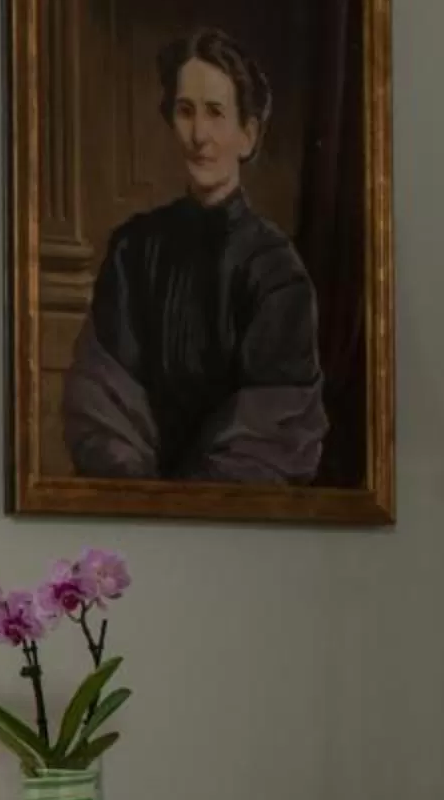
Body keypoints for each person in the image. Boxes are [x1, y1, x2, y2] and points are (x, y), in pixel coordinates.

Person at [62, 28, 325, 484]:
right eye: (185, 112)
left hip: (230, 518)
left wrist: (191, 501)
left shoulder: (277, 270)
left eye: (216, 113)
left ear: (248, 134)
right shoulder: (133, 249)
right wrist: (141, 495)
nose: (199, 134)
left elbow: (274, 428)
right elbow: (101, 399)